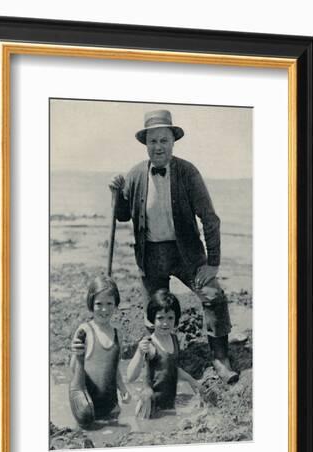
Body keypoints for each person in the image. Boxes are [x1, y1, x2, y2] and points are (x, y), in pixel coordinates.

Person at [110, 109, 238, 384]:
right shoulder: (135, 175)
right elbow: (122, 215)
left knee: (213, 295)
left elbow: (210, 219)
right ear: (146, 144)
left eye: (163, 140)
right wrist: (116, 193)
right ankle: (159, 363)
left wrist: (212, 262)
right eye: (153, 141)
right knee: (153, 312)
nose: (158, 147)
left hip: (187, 253)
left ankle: (220, 357)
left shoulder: (188, 172)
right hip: (151, 255)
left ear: (173, 142)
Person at [127, 289, 200, 418]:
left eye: (170, 318)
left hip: (168, 404)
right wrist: (139, 352)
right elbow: (130, 377)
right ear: (152, 319)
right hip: (150, 405)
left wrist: (191, 380)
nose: (165, 323)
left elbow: (171, 369)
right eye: (160, 318)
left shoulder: (174, 339)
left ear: (176, 319)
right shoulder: (150, 344)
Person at [69, 275, 130, 428]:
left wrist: (123, 389)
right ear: (91, 304)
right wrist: (77, 354)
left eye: (109, 303)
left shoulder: (117, 334)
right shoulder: (85, 331)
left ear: (116, 304)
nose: (104, 309)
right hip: (89, 409)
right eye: (99, 304)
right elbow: (73, 369)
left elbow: (114, 369)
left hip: (112, 408)